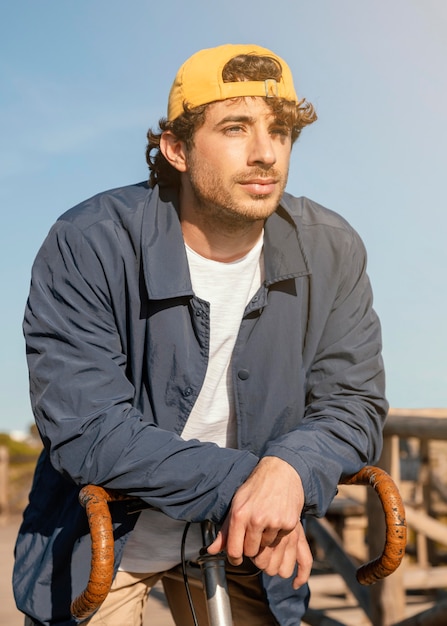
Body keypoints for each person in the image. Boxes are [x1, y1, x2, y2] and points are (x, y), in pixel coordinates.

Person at [13, 43, 387, 626]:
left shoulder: (332, 248)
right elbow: (87, 427)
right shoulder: (88, 242)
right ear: (178, 148)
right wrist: (257, 486)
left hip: (252, 543)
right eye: (236, 128)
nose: (266, 153)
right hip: (108, 537)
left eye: (281, 131)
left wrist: (290, 470)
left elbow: (353, 403)